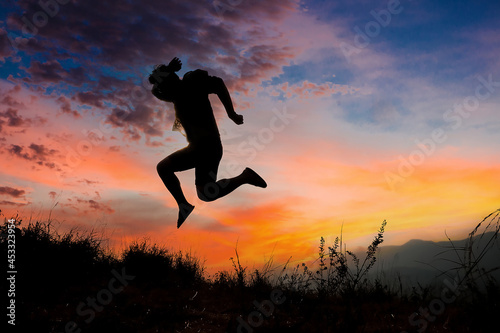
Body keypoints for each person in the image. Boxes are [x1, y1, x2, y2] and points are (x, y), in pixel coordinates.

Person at [149, 57, 267, 228]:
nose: (162, 89)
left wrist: (231, 114)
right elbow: (155, 91)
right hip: (202, 148)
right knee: (206, 193)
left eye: (164, 84)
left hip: (206, 145)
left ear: (171, 80)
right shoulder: (174, 95)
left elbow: (218, 84)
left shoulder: (192, 82)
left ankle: (183, 205)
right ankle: (244, 177)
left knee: (163, 168)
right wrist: (167, 69)